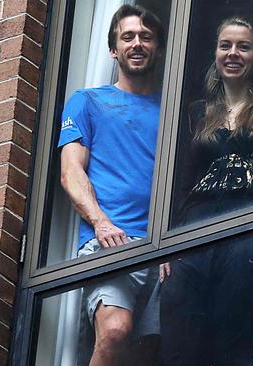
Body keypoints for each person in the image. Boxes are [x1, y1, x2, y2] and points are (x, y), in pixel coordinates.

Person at [160, 16, 253, 366]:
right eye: (225, 45)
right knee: (182, 318)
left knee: (234, 321)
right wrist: (165, 242)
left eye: (243, 46)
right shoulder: (198, 112)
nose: (233, 53)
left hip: (246, 218)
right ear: (215, 52)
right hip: (196, 223)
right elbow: (182, 179)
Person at [57, 5, 165, 366]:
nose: (137, 43)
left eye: (146, 37)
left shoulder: (172, 111)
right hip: (111, 240)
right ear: (113, 50)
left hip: (161, 249)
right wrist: (101, 221)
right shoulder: (88, 101)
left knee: (153, 352)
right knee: (116, 330)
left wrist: (173, 242)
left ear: (160, 48)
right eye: (128, 36)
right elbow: (70, 172)